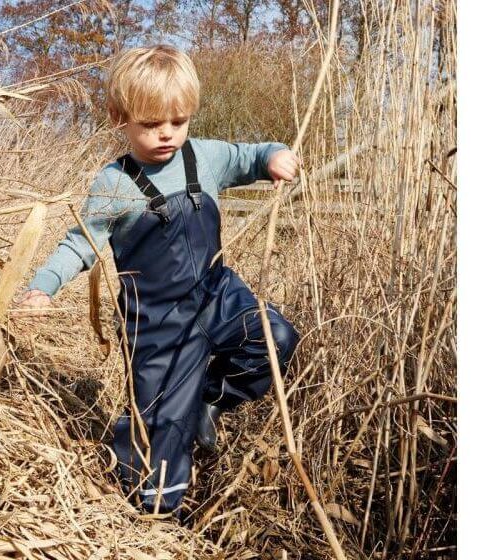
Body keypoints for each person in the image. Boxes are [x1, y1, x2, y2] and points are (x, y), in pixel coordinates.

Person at [18, 44, 300, 518]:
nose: (167, 134)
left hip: (216, 296)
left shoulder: (207, 157)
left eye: (178, 121)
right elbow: (80, 243)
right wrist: (42, 287)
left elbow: (255, 154)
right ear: (119, 117)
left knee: (274, 340)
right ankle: (154, 515)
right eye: (151, 124)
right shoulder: (114, 184)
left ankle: (206, 401)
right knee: (160, 436)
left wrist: (276, 157)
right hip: (156, 327)